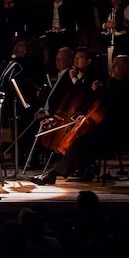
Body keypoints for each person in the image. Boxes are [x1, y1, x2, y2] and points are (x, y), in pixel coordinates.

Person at [31, 54, 129, 185]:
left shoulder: (127, 85)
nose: (113, 67)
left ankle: (54, 174)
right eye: (113, 64)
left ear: (127, 67)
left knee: (81, 142)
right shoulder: (113, 82)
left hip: (117, 133)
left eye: (117, 64)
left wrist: (98, 90)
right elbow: (96, 103)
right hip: (104, 129)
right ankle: (87, 168)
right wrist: (83, 114)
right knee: (81, 138)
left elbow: (110, 103)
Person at [30, 47, 100, 185]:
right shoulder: (81, 75)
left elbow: (86, 96)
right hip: (78, 116)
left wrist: (74, 78)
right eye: (75, 57)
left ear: (89, 61)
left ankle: (55, 173)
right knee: (74, 139)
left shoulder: (94, 76)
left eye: (79, 57)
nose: (76, 60)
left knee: (78, 140)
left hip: (92, 122)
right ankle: (83, 167)